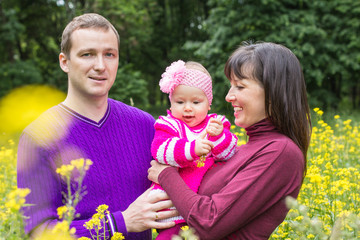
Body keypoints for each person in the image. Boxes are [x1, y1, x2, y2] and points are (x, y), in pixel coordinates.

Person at [17, 13, 176, 239]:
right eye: (87, 54)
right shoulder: (37, 137)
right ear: (65, 62)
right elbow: (39, 233)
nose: (100, 66)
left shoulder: (145, 125)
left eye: (109, 54)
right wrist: (120, 223)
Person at [148, 42, 312, 239]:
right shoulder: (247, 149)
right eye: (230, 86)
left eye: (240, 86)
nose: (228, 96)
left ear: (273, 92)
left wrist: (166, 174)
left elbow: (210, 222)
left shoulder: (281, 153)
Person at [150, 60, 238, 239]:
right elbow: (160, 150)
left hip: (204, 207)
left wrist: (218, 136)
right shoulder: (169, 124)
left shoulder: (216, 124)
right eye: (180, 102)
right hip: (171, 206)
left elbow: (228, 153)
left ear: (208, 103)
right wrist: (192, 149)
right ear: (171, 103)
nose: (188, 108)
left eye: (196, 102)